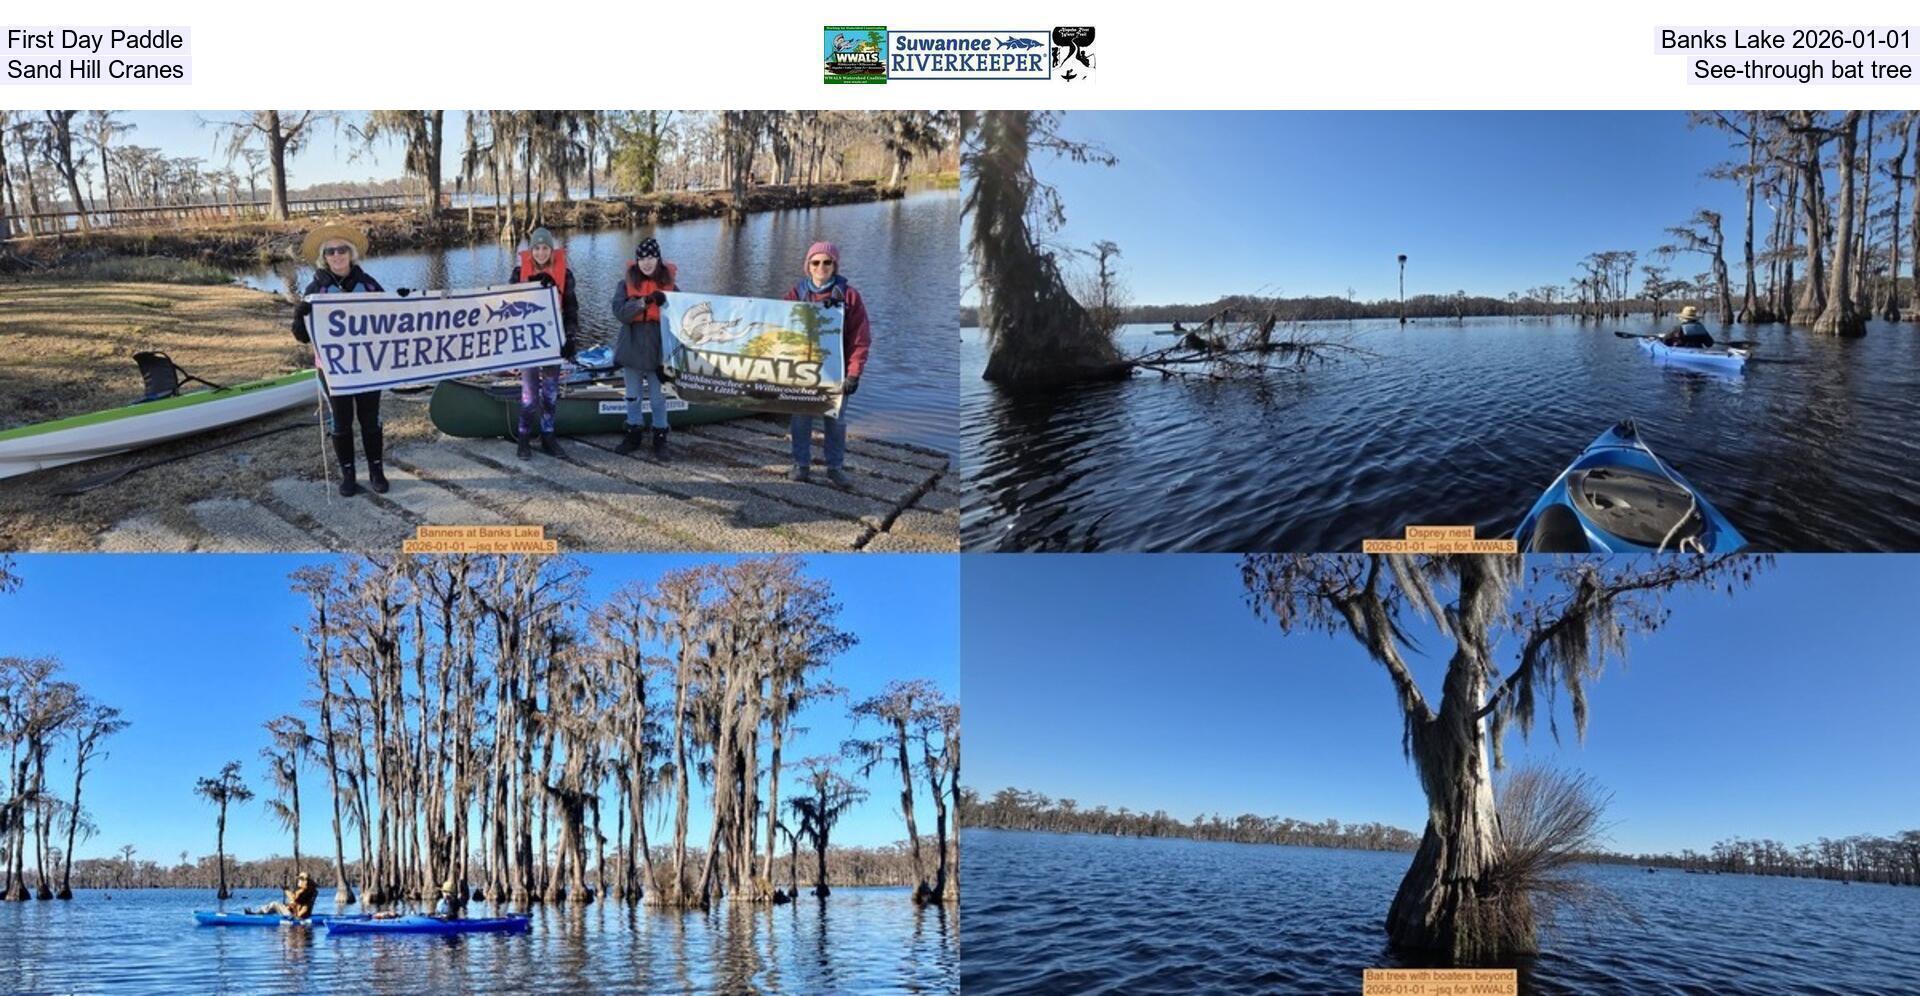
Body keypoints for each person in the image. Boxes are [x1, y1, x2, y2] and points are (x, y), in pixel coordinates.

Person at [293, 223, 388, 497]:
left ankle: (376, 470)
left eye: (342, 249)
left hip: (369, 365)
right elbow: (302, 336)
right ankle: (348, 474)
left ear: (351, 253)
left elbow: (392, 319)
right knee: (341, 421)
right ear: (325, 256)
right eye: (331, 251)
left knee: (371, 420)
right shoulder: (315, 289)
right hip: (333, 369)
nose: (337, 255)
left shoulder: (369, 285)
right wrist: (300, 315)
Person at [785, 242, 871, 487]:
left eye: (827, 262)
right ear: (808, 267)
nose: (821, 267)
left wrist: (854, 373)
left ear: (835, 265)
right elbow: (776, 323)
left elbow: (860, 339)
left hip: (836, 372)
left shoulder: (850, 296)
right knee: (800, 418)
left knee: (835, 421)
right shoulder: (796, 294)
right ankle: (801, 464)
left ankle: (835, 467)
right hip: (802, 371)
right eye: (815, 262)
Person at [510, 228, 579, 460]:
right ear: (531, 251)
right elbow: (506, 306)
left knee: (550, 396)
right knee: (529, 398)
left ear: (552, 250)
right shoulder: (519, 273)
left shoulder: (565, 275)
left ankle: (548, 436)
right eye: (536, 248)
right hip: (529, 343)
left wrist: (570, 338)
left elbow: (571, 309)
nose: (541, 252)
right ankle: (523, 438)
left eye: (545, 248)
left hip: (553, 342)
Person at [610, 238, 679, 460]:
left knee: (659, 398)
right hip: (631, 349)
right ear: (637, 261)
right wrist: (644, 302)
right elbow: (620, 312)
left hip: (658, 351)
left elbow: (682, 317)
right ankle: (633, 433)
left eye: (651, 258)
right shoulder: (625, 284)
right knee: (633, 396)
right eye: (642, 258)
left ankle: (660, 437)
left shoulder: (671, 286)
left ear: (658, 259)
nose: (647, 263)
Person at [248, 871, 318, 920]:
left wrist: (286, 890)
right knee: (283, 905)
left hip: (295, 916)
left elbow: (296, 900)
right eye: (299, 879)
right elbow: (296, 901)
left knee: (274, 904)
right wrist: (289, 905)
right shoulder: (306, 890)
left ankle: (256, 914)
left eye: (300, 879)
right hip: (295, 913)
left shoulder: (307, 891)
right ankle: (261, 913)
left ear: (305, 881)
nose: (298, 881)